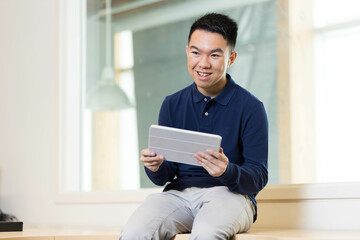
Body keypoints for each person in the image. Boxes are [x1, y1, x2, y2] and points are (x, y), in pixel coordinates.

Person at [120, 13, 268, 240]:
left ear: (231, 58)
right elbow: (164, 177)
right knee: (134, 232)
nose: (203, 63)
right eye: (196, 52)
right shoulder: (172, 104)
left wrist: (227, 171)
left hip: (231, 196)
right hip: (178, 196)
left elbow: (258, 177)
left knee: (207, 233)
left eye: (215, 55)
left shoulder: (251, 107)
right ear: (187, 51)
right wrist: (156, 166)